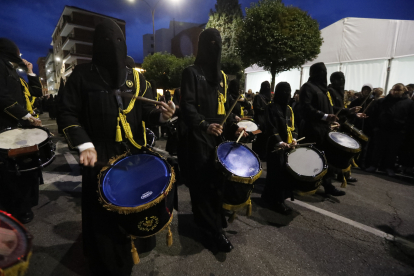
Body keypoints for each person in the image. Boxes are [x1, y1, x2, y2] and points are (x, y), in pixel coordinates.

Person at [59, 19, 175, 276]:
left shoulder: (135, 79)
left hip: (132, 155)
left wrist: (163, 116)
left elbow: (148, 111)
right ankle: (107, 264)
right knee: (103, 219)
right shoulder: (81, 76)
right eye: (106, 43)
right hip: (99, 156)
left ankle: (134, 245)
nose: (113, 49)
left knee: (135, 208)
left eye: (119, 42)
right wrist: (84, 144)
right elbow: (67, 114)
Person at [180, 28, 246, 253]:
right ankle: (211, 232)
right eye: (211, 43)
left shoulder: (224, 77)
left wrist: (235, 126)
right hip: (198, 138)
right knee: (202, 186)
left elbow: (225, 110)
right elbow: (187, 106)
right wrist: (203, 124)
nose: (215, 48)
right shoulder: (191, 72)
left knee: (217, 184)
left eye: (218, 44)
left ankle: (213, 220)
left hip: (218, 139)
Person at [0, 38, 43, 224]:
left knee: (26, 170)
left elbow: (37, 93)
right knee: (13, 173)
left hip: (21, 127)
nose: (20, 57)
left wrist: (30, 72)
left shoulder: (14, 73)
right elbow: (2, 96)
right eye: (18, 54)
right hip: (6, 128)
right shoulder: (2, 67)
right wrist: (26, 116)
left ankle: (24, 205)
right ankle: (16, 209)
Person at [299, 62, 345, 196]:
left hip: (324, 130)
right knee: (311, 157)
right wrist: (324, 116)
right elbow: (305, 108)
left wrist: (348, 112)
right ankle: (305, 183)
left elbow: (331, 109)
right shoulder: (308, 87)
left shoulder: (325, 91)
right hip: (311, 129)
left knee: (326, 158)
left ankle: (327, 185)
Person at [262, 82, 297, 214]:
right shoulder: (270, 108)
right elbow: (270, 127)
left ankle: (269, 197)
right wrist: (280, 142)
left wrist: (294, 138)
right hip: (275, 147)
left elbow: (294, 126)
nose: (287, 95)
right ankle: (277, 201)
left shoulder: (289, 109)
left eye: (289, 91)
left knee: (284, 174)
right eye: (284, 92)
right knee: (275, 175)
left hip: (288, 147)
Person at [365, 83, 414, 176]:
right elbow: (373, 114)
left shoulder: (409, 103)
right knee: (377, 149)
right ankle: (373, 165)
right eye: (394, 90)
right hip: (381, 129)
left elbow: (410, 119)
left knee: (392, 151)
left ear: (403, 91)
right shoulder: (382, 101)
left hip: (397, 131)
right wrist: (375, 127)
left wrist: (404, 129)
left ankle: (389, 168)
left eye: (398, 90)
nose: (395, 92)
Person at [253, 81, 272, 160]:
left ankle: (262, 155)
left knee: (263, 139)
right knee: (259, 138)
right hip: (260, 122)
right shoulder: (259, 97)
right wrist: (266, 109)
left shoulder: (268, 98)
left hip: (264, 122)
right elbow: (257, 108)